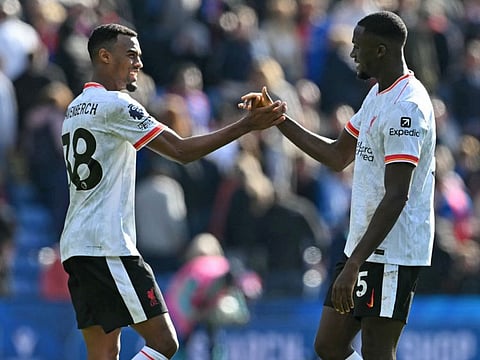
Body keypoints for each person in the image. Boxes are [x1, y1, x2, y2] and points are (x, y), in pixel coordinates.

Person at [59, 23, 286, 360]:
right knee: (164, 343)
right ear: (104, 56)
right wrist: (246, 125)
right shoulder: (117, 105)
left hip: (77, 246)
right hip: (108, 245)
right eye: (131, 55)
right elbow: (181, 151)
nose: (138, 63)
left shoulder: (74, 109)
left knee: (104, 351)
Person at [240, 10, 436, 360]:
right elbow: (336, 155)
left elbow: (397, 195)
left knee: (378, 349)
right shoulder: (379, 95)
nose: (351, 54)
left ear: (380, 50)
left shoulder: (407, 107)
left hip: (392, 252)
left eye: (357, 46)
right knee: (329, 346)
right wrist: (278, 120)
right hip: (362, 248)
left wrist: (355, 263)